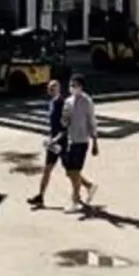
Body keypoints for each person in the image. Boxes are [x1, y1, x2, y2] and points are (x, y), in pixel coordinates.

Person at [61, 74, 100, 211]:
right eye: (71, 85)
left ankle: (75, 201)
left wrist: (95, 141)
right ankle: (89, 186)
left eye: (75, 85)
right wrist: (65, 119)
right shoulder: (68, 101)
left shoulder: (86, 101)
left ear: (81, 86)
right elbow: (65, 121)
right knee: (70, 172)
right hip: (71, 139)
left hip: (82, 140)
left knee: (75, 171)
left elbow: (92, 121)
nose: (73, 87)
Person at [25, 80, 65, 208]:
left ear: (59, 89)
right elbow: (53, 125)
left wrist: (55, 139)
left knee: (71, 171)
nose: (51, 90)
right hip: (53, 142)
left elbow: (64, 127)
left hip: (61, 142)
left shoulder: (61, 104)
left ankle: (87, 186)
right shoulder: (52, 103)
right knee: (47, 169)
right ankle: (40, 196)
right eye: (49, 88)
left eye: (53, 88)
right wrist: (50, 138)